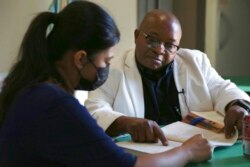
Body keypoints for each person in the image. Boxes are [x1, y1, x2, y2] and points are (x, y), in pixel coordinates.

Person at [0, 1, 211, 167]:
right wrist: (188, 151)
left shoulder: (31, 87)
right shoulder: (56, 104)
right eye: (106, 61)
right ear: (80, 59)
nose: (107, 69)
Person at [84, 9, 250, 144]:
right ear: (136, 36)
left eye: (170, 45)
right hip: (141, 156)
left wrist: (237, 105)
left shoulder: (195, 62)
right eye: (152, 40)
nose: (159, 49)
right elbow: (94, 109)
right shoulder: (113, 68)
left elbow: (222, 88)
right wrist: (125, 123)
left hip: (193, 150)